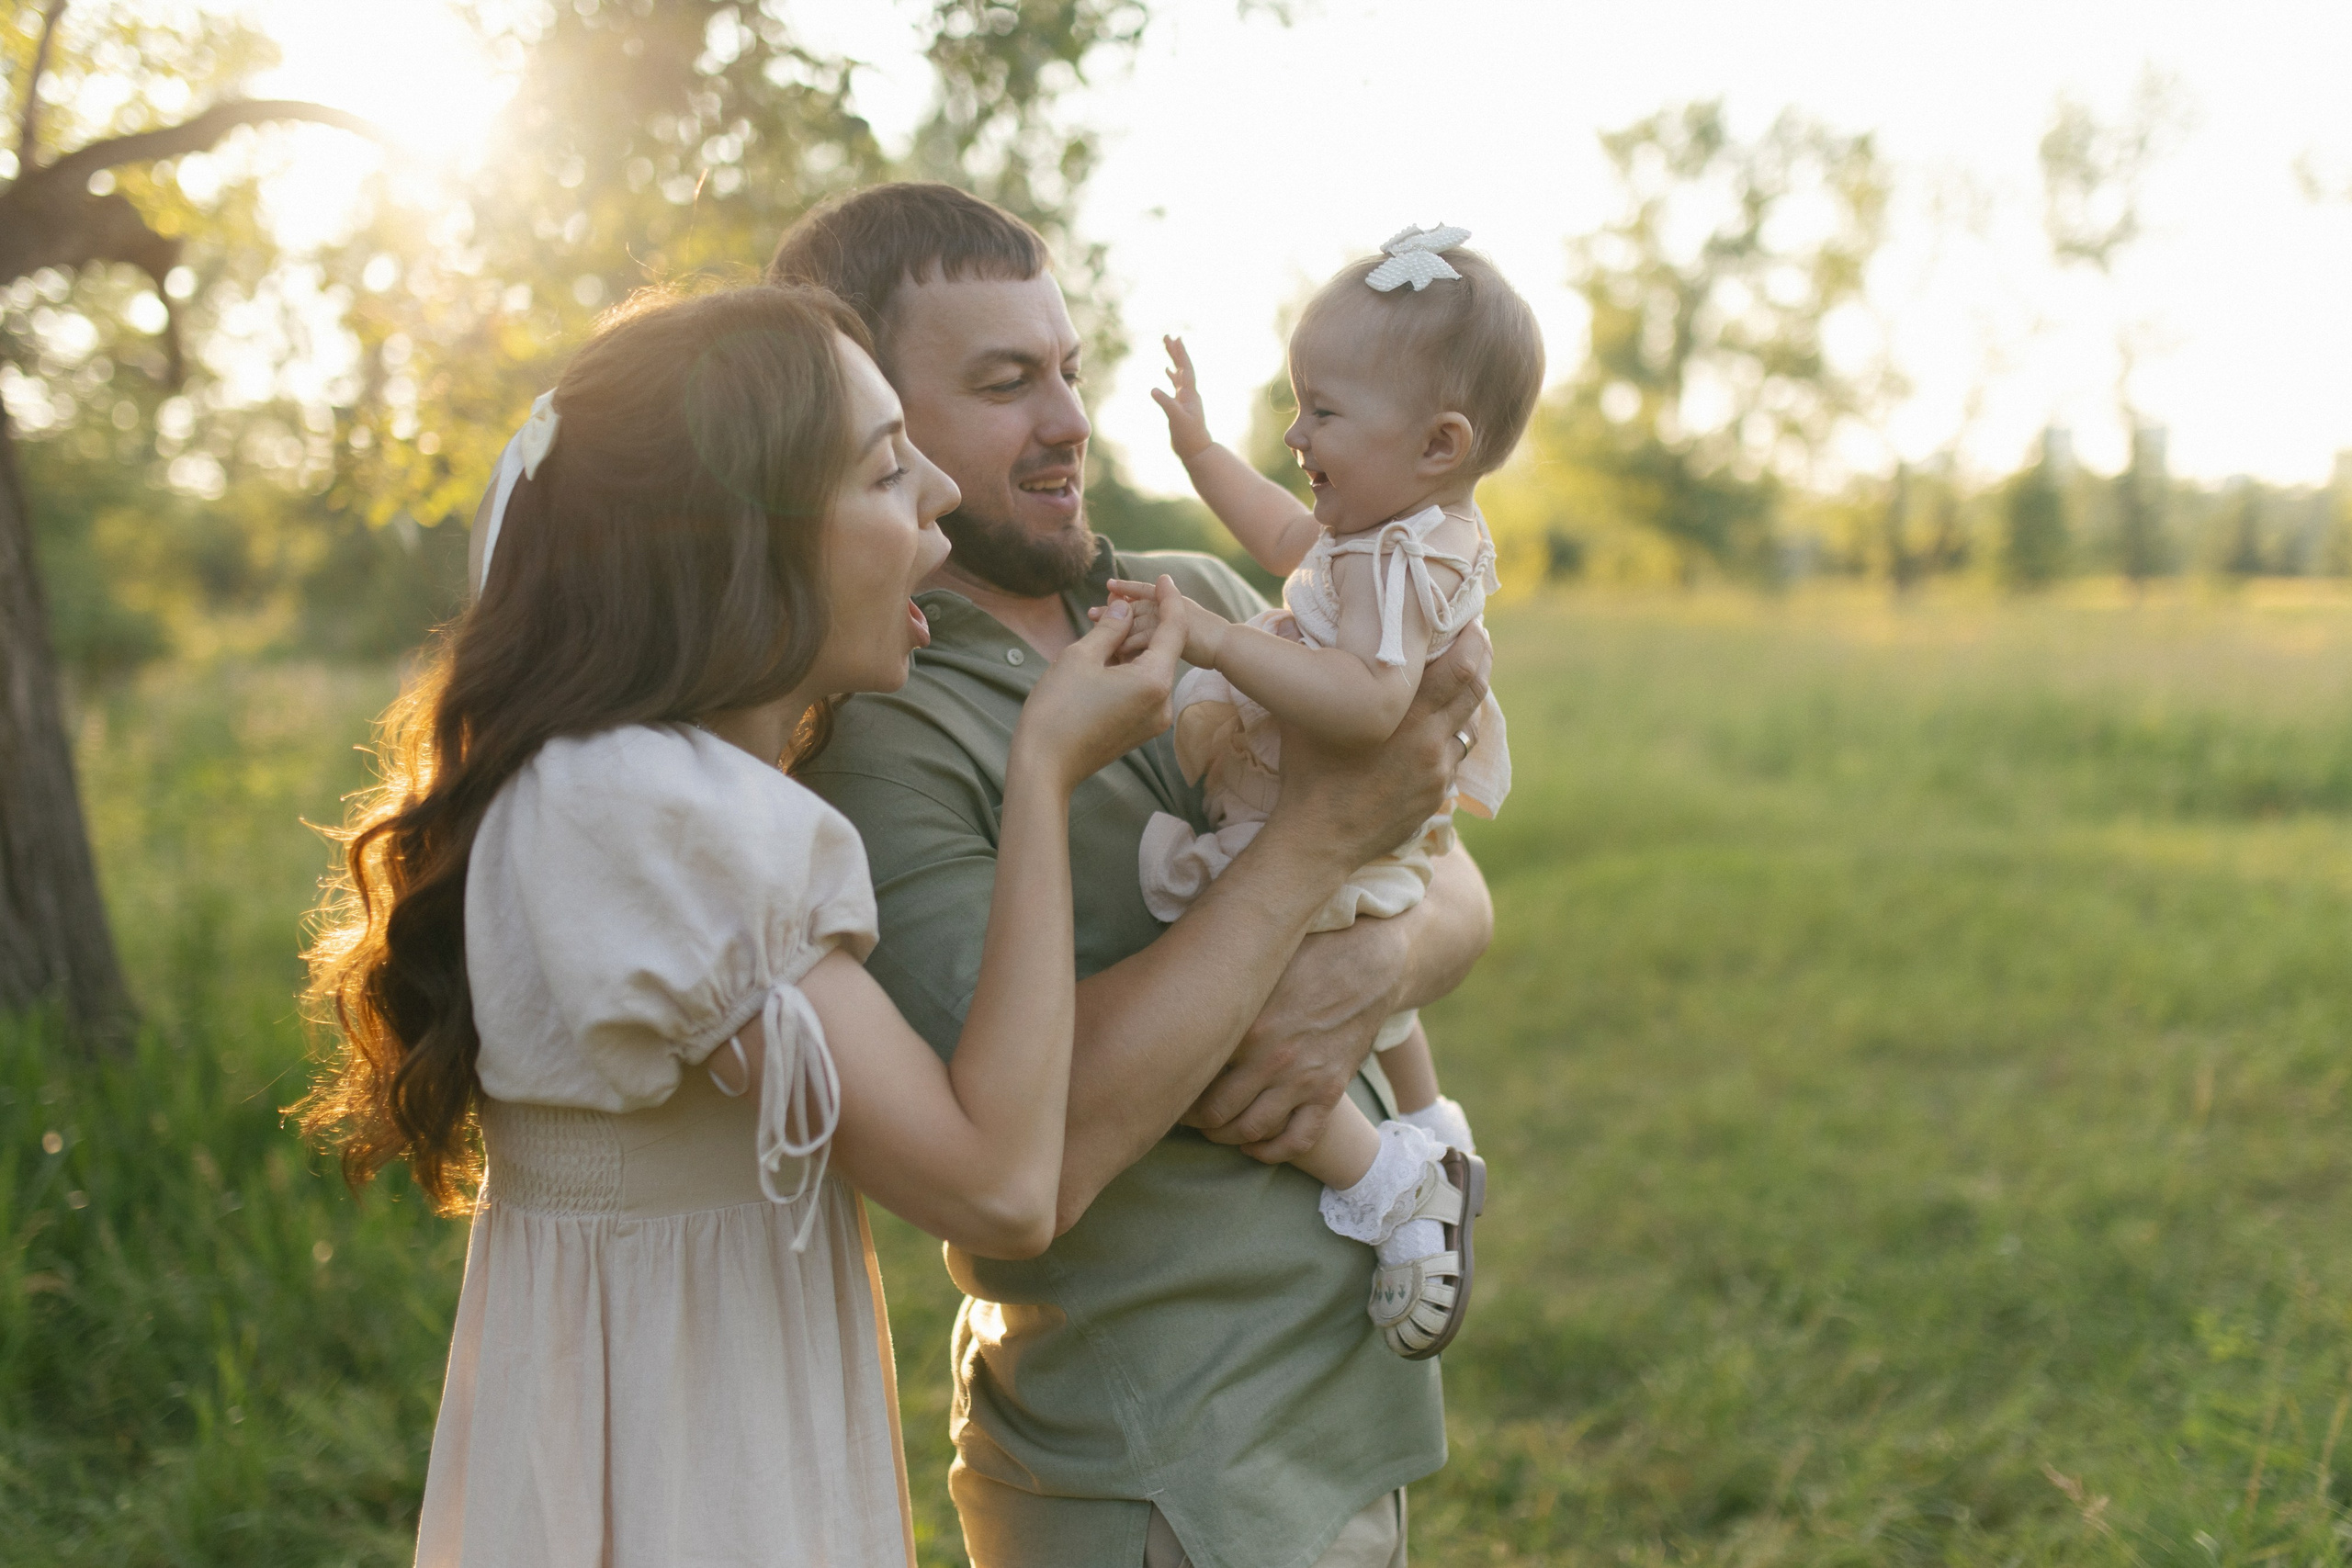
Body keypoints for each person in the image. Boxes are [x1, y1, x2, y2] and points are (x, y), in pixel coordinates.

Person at [299, 283, 1184, 1567]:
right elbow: (999, 1180)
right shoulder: (658, 811)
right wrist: (1044, 773)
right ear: (736, 542)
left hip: (666, 1419)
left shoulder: (609, 786)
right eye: (887, 471)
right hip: (691, 1470)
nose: (938, 493)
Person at [770, 185, 1496, 1568]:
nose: (1066, 422)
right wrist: (1310, 854)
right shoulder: (880, 730)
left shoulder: (1206, 599)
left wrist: (1365, 965)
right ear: (869, 419)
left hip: (1349, 1417)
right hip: (1159, 1470)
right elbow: (1031, 1152)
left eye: (1068, 370)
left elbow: (1452, 885)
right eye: (1003, 384)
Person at [1100, 224, 1544, 1359]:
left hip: (1338, 817)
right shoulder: (1378, 532)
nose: (1296, 433)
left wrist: (1217, 637)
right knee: (1364, 965)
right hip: (1350, 829)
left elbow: (1363, 707)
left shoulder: (1409, 561)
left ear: (1440, 444)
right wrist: (1199, 454)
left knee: (1235, 1000)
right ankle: (1436, 1126)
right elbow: (1288, 537)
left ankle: (1391, 1179)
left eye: (1324, 413)